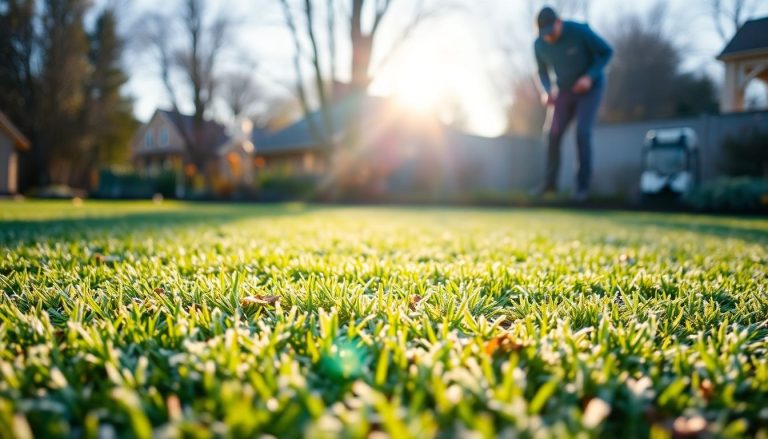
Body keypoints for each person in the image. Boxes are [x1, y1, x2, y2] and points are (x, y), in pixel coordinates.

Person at [533, 6, 613, 202]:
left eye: (551, 32)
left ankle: (582, 188)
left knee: (582, 132)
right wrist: (546, 91)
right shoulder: (539, 45)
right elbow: (541, 72)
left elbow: (607, 52)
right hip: (564, 90)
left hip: (590, 88)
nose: (549, 37)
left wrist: (589, 76)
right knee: (552, 133)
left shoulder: (579, 31)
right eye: (545, 35)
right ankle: (550, 183)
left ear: (559, 22)